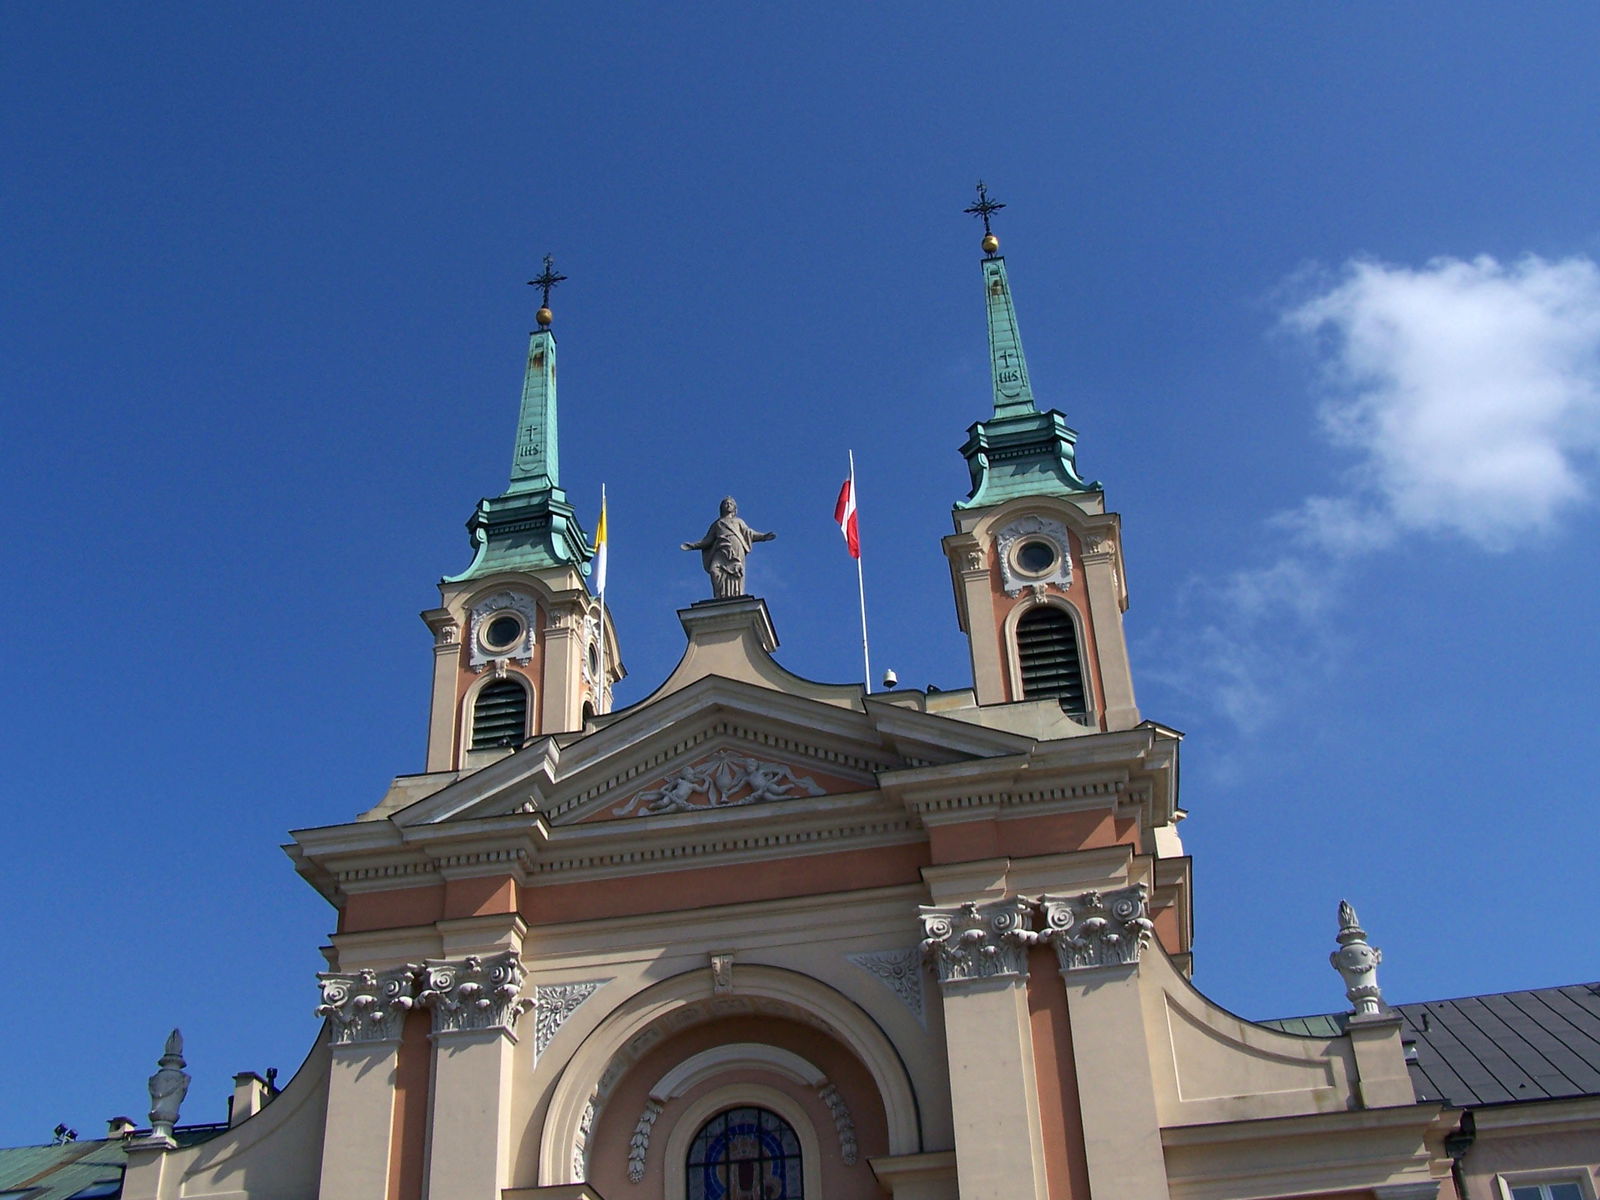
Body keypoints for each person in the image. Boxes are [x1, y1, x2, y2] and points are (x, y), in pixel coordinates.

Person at [681, 497, 775, 598]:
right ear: (721, 508)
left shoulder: (738, 521)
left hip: (736, 547)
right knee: (714, 571)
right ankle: (719, 596)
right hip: (721, 548)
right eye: (725, 503)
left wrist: (763, 537)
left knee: (735, 571)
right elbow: (707, 540)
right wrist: (692, 546)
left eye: (730, 503)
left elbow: (749, 533)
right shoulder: (717, 524)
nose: (728, 505)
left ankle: (735, 594)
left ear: (734, 508)